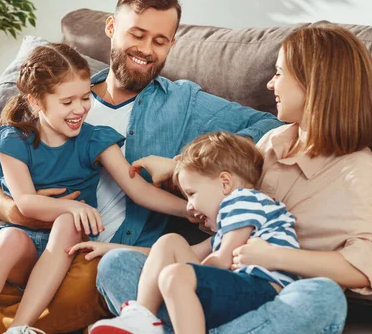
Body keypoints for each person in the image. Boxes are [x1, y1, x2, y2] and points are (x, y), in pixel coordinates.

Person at [0, 0, 290, 334]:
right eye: (137, 34)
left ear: (172, 44)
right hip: (26, 240)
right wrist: (13, 208)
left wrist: (180, 166)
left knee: (85, 295)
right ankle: (12, 321)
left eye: (160, 40)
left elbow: (266, 126)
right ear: (111, 28)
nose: (146, 50)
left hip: (93, 255)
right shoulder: (67, 90)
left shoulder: (184, 101)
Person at [95, 23, 372, 333]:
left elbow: (362, 268)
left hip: (275, 298)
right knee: (117, 265)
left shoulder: (356, 169)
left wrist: (276, 256)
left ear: (313, 84)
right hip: (222, 286)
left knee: (323, 296)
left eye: (279, 74)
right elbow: (213, 244)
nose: (270, 84)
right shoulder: (272, 143)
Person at [0, 43, 187, 334]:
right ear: (35, 102)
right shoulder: (13, 140)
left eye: (85, 98)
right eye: (67, 102)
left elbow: (140, 191)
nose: (80, 109)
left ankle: (19, 328)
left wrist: (189, 210)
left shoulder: (95, 140)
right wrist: (73, 205)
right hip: (25, 255)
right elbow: (25, 204)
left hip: (72, 258)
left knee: (69, 223)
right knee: (8, 239)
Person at [85, 131, 299, 334]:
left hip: (263, 291)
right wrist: (111, 247)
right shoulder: (231, 228)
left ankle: (145, 319)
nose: (188, 207)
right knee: (170, 242)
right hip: (239, 290)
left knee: (176, 275)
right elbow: (178, 253)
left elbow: (222, 260)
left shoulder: (243, 200)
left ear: (225, 183)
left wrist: (186, 277)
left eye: (191, 194)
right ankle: (141, 317)